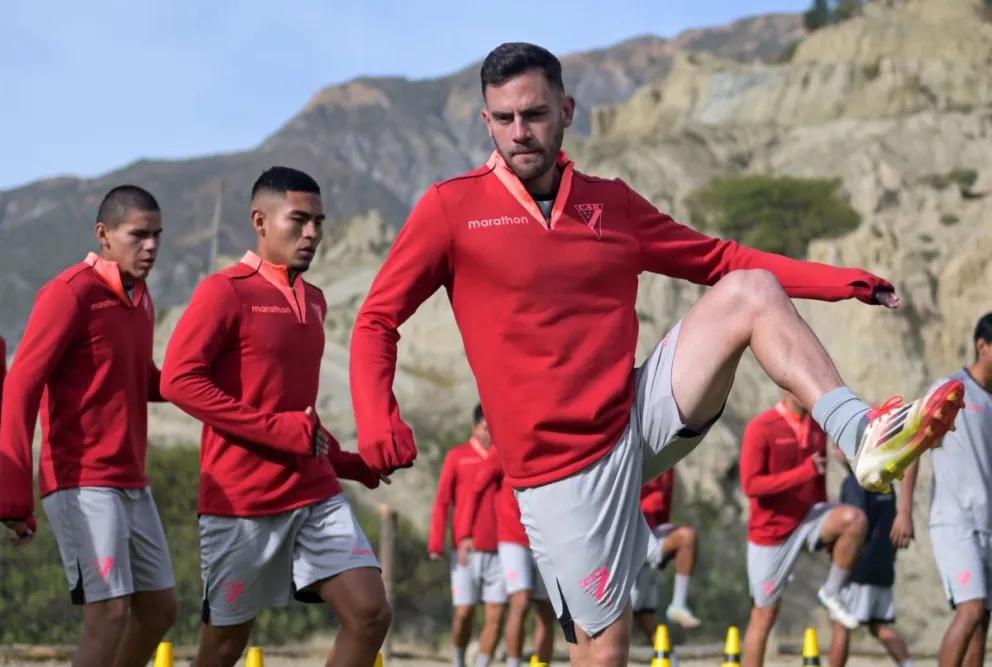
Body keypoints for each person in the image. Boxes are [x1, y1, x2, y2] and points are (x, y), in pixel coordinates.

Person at [348, 40, 966, 667]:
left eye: (534, 115)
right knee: (604, 650)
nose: (519, 132)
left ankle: (859, 433)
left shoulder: (610, 203)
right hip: (559, 471)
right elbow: (376, 320)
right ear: (486, 121)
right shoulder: (452, 208)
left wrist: (841, 282)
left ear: (567, 109)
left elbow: (721, 259)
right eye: (503, 119)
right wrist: (376, 416)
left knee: (748, 291)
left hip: (637, 416)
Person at [160, 166, 391, 667]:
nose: (312, 234)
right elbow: (177, 380)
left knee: (371, 613)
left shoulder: (315, 301)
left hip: (313, 494)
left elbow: (298, 414)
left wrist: (353, 464)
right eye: (299, 220)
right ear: (260, 221)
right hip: (240, 500)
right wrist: (279, 431)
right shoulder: (225, 291)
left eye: (319, 223)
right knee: (223, 647)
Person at [0, 186, 178, 667]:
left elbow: (144, 379)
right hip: (81, 481)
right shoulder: (69, 293)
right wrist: (14, 490)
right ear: (103, 235)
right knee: (110, 614)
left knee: (160, 610)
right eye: (138, 235)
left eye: (158, 236)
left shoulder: (142, 299)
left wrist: (207, 378)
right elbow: (20, 385)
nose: (152, 246)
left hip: (131, 482)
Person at [892, 312, 992, 667]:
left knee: (981, 622)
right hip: (955, 523)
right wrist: (904, 511)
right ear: (983, 345)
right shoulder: (950, 389)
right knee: (971, 610)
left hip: (988, 525)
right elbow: (915, 442)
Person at [740, 392, 869, 667]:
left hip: (810, 518)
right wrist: (803, 472)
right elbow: (751, 486)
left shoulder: (816, 425)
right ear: (785, 387)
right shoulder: (760, 427)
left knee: (855, 520)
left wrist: (829, 533)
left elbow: (818, 483)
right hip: (771, 532)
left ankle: (832, 592)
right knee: (764, 615)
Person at [456, 409, 557, 667]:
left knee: (548, 611)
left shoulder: (553, 449)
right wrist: (466, 533)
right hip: (513, 539)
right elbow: (476, 489)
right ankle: (513, 663)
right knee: (520, 601)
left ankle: (540, 664)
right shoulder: (504, 451)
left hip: (547, 540)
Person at [428, 404, 507, 667]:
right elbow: (442, 501)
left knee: (496, 614)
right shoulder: (457, 456)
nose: (490, 434)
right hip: (466, 550)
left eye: (493, 429)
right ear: (474, 428)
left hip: (502, 548)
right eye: (486, 428)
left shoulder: (505, 457)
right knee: (464, 613)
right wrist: (437, 542)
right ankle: (459, 659)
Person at [826, 446, 914, 667]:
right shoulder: (886, 484)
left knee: (840, 622)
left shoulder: (855, 483)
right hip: (883, 566)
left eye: (840, 444)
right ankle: (909, 664)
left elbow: (854, 528)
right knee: (880, 626)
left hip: (860, 567)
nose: (835, 450)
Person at [630, 468, 700, 644]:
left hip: (650, 536)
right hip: (627, 538)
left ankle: (678, 606)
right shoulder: (633, 453)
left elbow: (663, 510)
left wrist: (662, 551)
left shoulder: (669, 464)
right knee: (627, 621)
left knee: (646, 619)